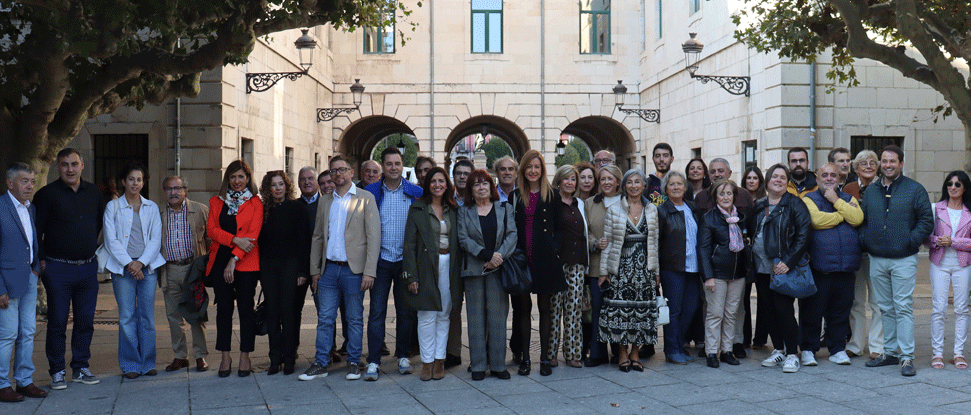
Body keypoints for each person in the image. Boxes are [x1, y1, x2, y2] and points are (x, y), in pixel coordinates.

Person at [301, 156, 380, 381]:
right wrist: (315, 270)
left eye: (342, 169)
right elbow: (318, 236)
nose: (338, 174)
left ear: (351, 172)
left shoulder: (365, 198)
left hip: (353, 271)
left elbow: (374, 237)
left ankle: (354, 362)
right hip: (328, 270)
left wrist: (369, 271)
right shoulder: (325, 201)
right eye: (333, 170)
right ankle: (321, 362)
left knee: (354, 318)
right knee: (325, 318)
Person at [33, 148, 106, 389]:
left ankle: (81, 367)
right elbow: (35, 231)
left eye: (74, 164)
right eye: (65, 164)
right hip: (57, 269)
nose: (70, 169)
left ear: (82, 165)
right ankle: (56, 371)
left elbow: (99, 223)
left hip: (87, 268)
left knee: (85, 321)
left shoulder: (94, 192)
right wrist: (42, 262)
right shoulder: (46, 194)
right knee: (57, 322)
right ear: (58, 167)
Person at [860, 145, 933, 377]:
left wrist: (910, 241)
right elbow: (862, 219)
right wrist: (866, 239)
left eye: (893, 161)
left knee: (903, 307)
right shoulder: (871, 191)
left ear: (901, 164)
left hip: (904, 258)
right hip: (877, 258)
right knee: (885, 308)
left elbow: (926, 221)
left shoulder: (914, 189)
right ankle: (890, 352)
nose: (888, 165)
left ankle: (907, 356)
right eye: (884, 161)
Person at [363, 147, 423, 380]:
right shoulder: (370, 192)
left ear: (402, 165)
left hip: (405, 261)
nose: (394, 168)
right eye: (389, 164)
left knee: (405, 312)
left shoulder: (415, 192)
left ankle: (403, 355)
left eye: (397, 163)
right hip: (380, 261)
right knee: (377, 312)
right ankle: (374, 360)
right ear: (383, 167)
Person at [103, 163, 164, 379]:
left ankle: (147, 363)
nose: (135, 183)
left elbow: (156, 239)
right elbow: (110, 240)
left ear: (143, 183)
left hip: (147, 268)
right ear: (123, 182)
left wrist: (141, 263)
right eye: (131, 179)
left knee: (147, 316)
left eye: (139, 179)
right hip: (123, 269)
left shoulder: (152, 207)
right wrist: (130, 264)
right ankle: (130, 364)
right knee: (126, 316)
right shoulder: (113, 207)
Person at [800, 163, 864, 366]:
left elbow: (858, 218)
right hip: (819, 268)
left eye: (833, 175)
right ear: (817, 179)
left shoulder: (848, 198)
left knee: (840, 312)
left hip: (845, 268)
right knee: (812, 311)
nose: (829, 178)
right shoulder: (808, 199)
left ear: (839, 179)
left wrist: (836, 201)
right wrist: (843, 215)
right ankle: (808, 349)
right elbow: (816, 220)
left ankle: (837, 349)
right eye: (824, 175)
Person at [402, 167, 463, 380]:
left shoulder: (453, 209)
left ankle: (439, 361)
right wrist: (411, 276)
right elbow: (409, 244)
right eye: (433, 181)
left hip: (450, 265)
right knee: (427, 315)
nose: (437, 185)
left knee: (444, 314)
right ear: (427, 185)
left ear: (447, 184)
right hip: (426, 265)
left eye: (441, 181)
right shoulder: (418, 208)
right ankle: (427, 362)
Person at [457, 169, 517, 380]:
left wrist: (498, 257)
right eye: (476, 184)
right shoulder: (464, 211)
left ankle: (499, 364)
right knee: (475, 318)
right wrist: (486, 255)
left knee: (498, 317)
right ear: (470, 190)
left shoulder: (504, 208)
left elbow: (512, 235)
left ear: (491, 187)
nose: (481, 187)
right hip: (474, 269)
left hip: (499, 269)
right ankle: (478, 365)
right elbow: (463, 239)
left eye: (485, 183)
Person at [206, 160, 263, 378]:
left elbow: (253, 234)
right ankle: (225, 357)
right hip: (220, 261)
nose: (237, 181)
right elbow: (212, 230)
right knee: (224, 310)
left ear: (248, 178)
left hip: (246, 262)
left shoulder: (256, 203)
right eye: (233, 177)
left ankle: (245, 356)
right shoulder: (216, 202)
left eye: (241, 176)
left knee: (246, 310)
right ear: (227, 179)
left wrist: (234, 258)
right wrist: (234, 239)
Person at [752, 164, 811, 373]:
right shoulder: (759, 205)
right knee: (768, 311)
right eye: (774, 177)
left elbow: (803, 235)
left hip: (782, 267)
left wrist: (788, 262)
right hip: (761, 267)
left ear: (787, 182)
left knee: (784, 311)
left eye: (782, 177)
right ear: (767, 181)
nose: (778, 180)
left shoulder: (795, 204)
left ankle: (793, 354)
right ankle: (778, 349)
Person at [513, 150, 566, 376]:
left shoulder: (552, 194)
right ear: (523, 170)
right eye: (529, 167)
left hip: (545, 259)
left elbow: (560, 228)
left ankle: (544, 358)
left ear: (542, 170)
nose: (533, 171)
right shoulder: (515, 195)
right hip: (522, 259)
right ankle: (525, 359)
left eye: (537, 167)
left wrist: (554, 249)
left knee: (545, 309)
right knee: (523, 310)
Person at [600, 169, 659, 373]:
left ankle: (635, 352)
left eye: (637, 182)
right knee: (620, 313)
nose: (634, 186)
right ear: (624, 186)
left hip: (644, 269)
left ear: (644, 186)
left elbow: (655, 242)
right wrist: (604, 272)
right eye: (629, 182)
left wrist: (656, 271)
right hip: (621, 268)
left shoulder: (651, 209)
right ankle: (622, 352)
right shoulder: (614, 209)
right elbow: (607, 242)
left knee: (641, 313)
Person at [0, 163, 46, 403]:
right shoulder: (0, 207)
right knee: (7, 334)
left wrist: (36, 268)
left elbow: (32, 241)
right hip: (6, 283)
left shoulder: (31, 208)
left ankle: (24, 381)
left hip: (29, 277)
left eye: (32, 181)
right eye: (24, 181)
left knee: (27, 332)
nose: (30, 186)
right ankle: (1, 385)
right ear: (10, 183)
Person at [258, 171, 309, 375]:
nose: (278, 188)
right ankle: (274, 359)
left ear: (287, 186)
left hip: (291, 264)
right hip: (268, 265)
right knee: (272, 312)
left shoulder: (298, 208)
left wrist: (303, 271)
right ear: (268, 188)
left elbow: (304, 241)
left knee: (288, 312)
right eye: (273, 185)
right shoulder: (263, 209)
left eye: (281, 184)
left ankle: (289, 359)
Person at [159, 176, 211, 373]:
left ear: (185, 190)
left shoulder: (200, 210)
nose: (173, 192)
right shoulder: (159, 213)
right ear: (165, 192)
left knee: (196, 313)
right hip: (169, 269)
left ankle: (200, 355)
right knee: (173, 316)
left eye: (177, 188)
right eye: (169, 189)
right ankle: (180, 356)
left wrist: (205, 266)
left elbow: (210, 239)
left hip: (192, 269)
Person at [698, 179, 747, 368]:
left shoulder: (740, 217)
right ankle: (712, 352)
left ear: (734, 196)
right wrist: (708, 276)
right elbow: (703, 249)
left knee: (731, 314)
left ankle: (727, 350)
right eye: (721, 194)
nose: (726, 197)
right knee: (715, 314)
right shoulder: (709, 218)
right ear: (715, 197)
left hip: (737, 274)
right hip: (716, 274)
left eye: (729, 193)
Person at [926, 171, 971, 369]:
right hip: (939, 263)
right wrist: (937, 240)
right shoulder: (935, 208)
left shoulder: (969, 211)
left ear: (965, 188)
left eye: (957, 184)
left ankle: (958, 353)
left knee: (962, 308)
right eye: (950, 184)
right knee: (939, 308)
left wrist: (954, 241)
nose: (953, 187)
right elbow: (926, 237)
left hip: (963, 263)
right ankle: (937, 353)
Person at [300, 167, 345, 363]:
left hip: (328, 266)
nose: (307, 182)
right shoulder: (298, 206)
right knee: (300, 311)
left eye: (311, 178)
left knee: (328, 311)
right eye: (303, 179)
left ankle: (331, 348)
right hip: (304, 267)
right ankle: (294, 348)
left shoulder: (331, 203)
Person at [657, 170, 701, 365]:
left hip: (693, 267)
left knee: (690, 308)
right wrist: (656, 270)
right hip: (672, 268)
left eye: (679, 184)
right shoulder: (662, 211)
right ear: (665, 189)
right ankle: (672, 349)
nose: (676, 187)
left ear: (685, 187)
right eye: (671, 184)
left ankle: (679, 345)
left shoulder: (692, 207)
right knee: (673, 311)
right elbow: (656, 242)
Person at [843, 150, 883, 359]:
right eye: (863, 163)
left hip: (877, 251)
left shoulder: (884, 187)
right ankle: (856, 344)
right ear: (856, 168)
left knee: (877, 302)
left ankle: (877, 346)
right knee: (856, 301)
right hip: (855, 251)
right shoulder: (849, 188)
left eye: (872, 162)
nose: (868, 166)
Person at [583, 165, 624, 367]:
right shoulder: (590, 203)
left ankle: (619, 352)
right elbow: (586, 230)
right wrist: (594, 242)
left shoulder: (627, 202)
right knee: (597, 310)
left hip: (621, 266)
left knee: (618, 310)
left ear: (618, 182)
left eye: (610, 179)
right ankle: (597, 353)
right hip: (597, 265)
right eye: (603, 179)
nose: (606, 182)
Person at [548, 165, 588, 368]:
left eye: (573, 179)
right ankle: (551, 353)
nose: (570, 182)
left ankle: (573, 353)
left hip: (577, 263)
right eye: (566, 179)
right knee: (555, 310)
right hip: (557, 263)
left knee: (574, 311)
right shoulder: (552, 203)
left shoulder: (580, 204)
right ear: (559, 181)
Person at [445, 158, 475, 368]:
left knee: (476, 309)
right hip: (452, 262)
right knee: (452, 307)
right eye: (459, 173)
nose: (462, 176)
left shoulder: (479, 199)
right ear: (453, 176)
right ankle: (453, 352)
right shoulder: (447, 200)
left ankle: (480, 353)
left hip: (474, 260)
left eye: (466, 173)